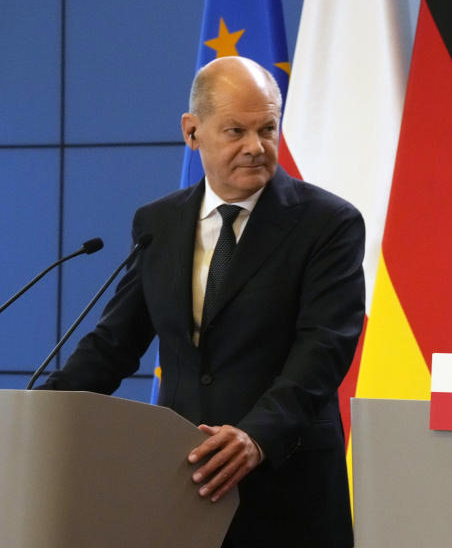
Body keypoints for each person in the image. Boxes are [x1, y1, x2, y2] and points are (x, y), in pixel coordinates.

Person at [42, 56, 364, 547]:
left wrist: (255, 436)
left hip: (289, 489)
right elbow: (113, 345)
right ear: (192, 132)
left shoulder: (328, 223)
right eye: (235, 131)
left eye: (268, 129)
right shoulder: (159, 224)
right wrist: (34, 415)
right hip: (183, 487)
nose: (256, 148)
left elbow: (323, 349)